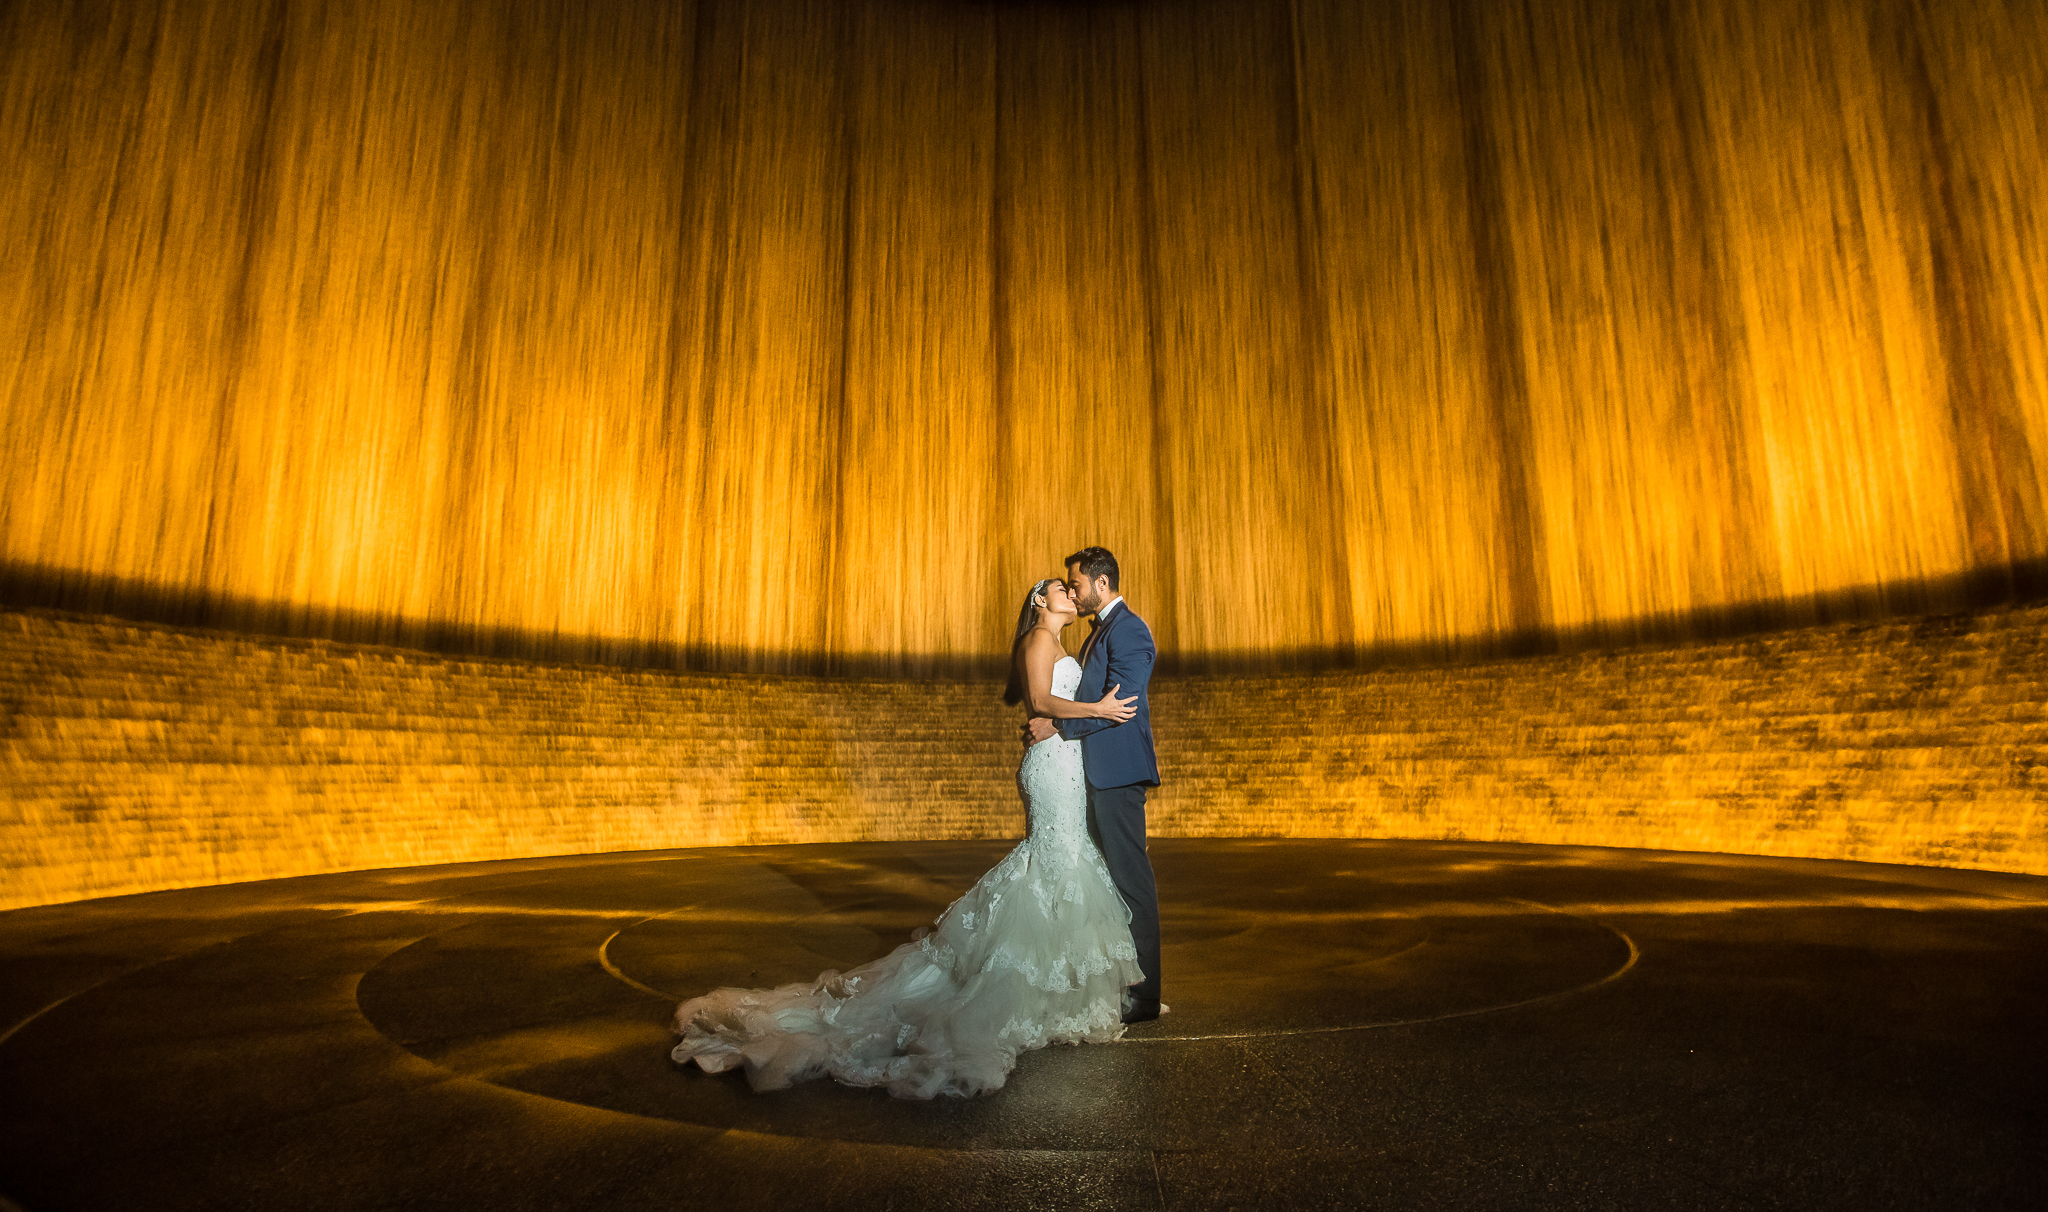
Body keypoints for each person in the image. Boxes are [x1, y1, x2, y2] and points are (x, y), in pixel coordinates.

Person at [669, 577, 1143, 1098]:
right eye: (1060, 588)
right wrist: (1097, 710)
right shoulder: (1037, 639)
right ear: (1039, 601)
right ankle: (1029, 993)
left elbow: (1053, 706)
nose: (1071, 594)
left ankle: (1056, 991)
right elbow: (1038, 699)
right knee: (1054, 861)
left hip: (1066, 760)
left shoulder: (1060, 642)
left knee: (1062, 864)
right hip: (1051, 767)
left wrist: (1074, 720)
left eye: (1072, 588)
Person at [1025, 546, 1164, 1022]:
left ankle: (1144, 995)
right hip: (1094, 772)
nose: (1073, 591)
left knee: (1131, 882)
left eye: (1076, 583)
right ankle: (1117, 980)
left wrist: (1059, 725)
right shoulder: (1099, 631)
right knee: (1110, 883)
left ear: (1100, 583)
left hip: (1118, 773)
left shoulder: (1129, 629)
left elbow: (1121, 703)